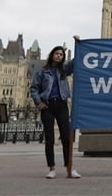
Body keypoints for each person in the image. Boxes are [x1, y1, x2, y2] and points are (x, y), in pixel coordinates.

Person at [30, 38, 81, 179]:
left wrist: (79, 43)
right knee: (50, 138)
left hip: (62, 105)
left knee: (66, 137)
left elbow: (77, 60)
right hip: (47, 106)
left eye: (61, 54)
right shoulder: (43, 72)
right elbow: (34, 88)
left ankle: (69, 168)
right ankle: (52, 168)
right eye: (57, 53)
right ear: (52, 55)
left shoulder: (64, 70)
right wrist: (38, 102)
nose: (59, 56)